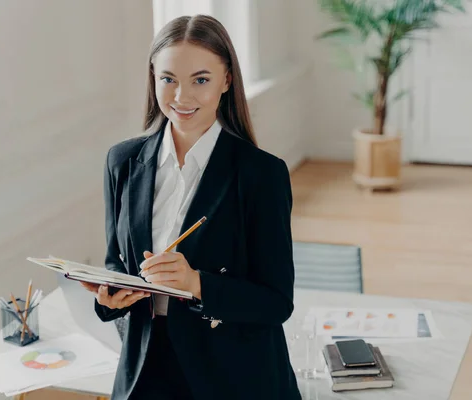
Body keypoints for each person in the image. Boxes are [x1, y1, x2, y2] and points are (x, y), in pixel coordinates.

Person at [79, 14, 301, 400]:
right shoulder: (122, 161)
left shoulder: (262, 174)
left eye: (201, 79)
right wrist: (110, 296)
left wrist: (196, 283)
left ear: (227, 80)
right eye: (168, 79)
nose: (182, 97)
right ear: (153, 77)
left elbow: (276, 302)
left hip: (232, 376)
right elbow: (118, 261)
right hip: (145, 370)